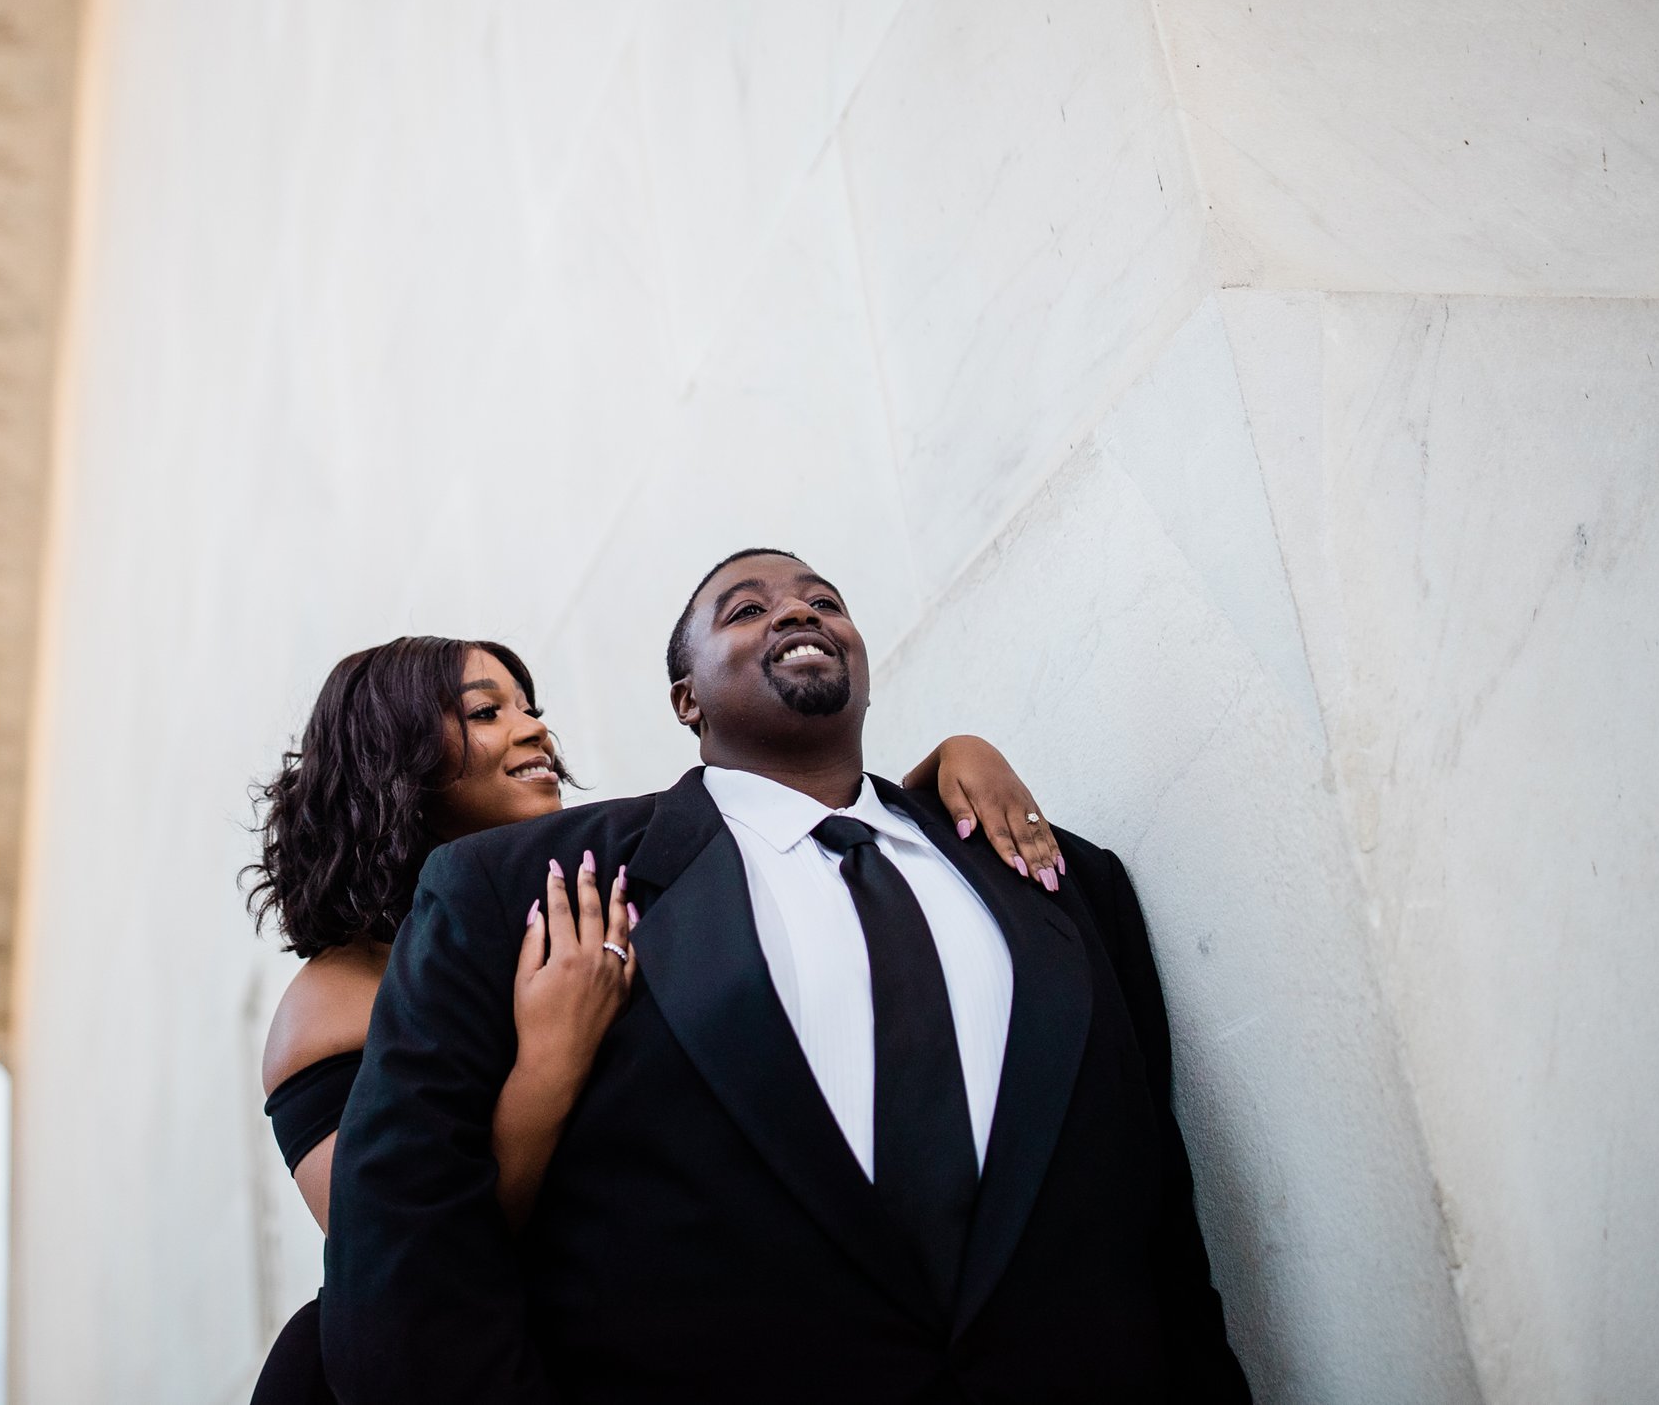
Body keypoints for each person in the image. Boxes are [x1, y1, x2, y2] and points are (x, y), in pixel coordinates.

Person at [323, 552, 1251, 1403]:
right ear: (686, 699)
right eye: (745, 608)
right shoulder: (522, 890)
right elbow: (403, 1252)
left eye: (823, 601)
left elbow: (1160, 1217)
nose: (795, 612)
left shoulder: (1066, 879)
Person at [245, 634, 1070, 1405]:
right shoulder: (333, 997)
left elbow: (778, 843)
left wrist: (946, 770)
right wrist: (550, 1057)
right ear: (394, 760)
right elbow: (402, 1259)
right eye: (487, 712)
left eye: (530, 707)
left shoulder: (588, 893)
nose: (534, 730)